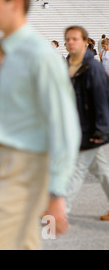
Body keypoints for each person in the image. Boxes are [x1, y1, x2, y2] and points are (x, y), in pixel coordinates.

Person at [0, 0, 81, 250]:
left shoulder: (39, 55)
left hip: (25, 166)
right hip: (0, 158)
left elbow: (65, 125)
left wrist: (57, 193)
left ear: (16, 3)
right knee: (25, 243)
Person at [64, 26, 109, 222]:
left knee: (76, 169)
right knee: (102, 170)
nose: (70, 42)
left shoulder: (93, 68)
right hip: (78, 129)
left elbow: (102, 102)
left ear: (85, 42)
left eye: (75, 39)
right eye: (67, 39)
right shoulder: (73, 66)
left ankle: (60, 210)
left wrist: (100, 131)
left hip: (91, 130)